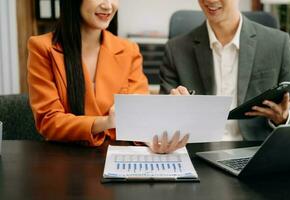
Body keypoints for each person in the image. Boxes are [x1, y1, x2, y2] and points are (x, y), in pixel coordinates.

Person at [27, 0, 187, 153]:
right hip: (66, 160)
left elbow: (138, 117)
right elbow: (48, 121)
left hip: (117, 158)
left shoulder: (128, 51)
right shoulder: (43, 49)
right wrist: (105, 123)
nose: (108, 5)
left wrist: (152, 140)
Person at [159, 0, 290, 141]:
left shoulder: (277, 43)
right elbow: (162, 120)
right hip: (197, 153)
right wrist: (174, 110)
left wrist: (283, 118)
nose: (210, 0)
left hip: (255, 152)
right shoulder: (175, 50)